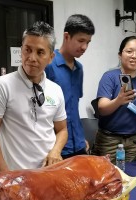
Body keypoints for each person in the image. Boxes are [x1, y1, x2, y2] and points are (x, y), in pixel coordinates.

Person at [0, 21, 68, 172]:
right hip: (16, 176)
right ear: (21, 50)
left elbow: (62, 130)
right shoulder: (2, 86)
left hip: (48, 173)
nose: (32, 58)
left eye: (40, 52)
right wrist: (6, 175)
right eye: (27, 50)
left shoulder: (56, 90)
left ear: (51, 57)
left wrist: (56, 151)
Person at [93, 36, 136, 164]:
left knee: (132, 176)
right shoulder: (109, 77)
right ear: (120, 55)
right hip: (109, 140)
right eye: (129, 51)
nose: (134, 56)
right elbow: (102, 108)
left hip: (135, 141)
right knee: (108, 178)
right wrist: (118, 101)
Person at [45, 14, 95, 158]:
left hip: (78, 145)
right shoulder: (49, 65)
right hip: (55, 148)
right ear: (66, 36)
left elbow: (73, 107)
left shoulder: (79, 69)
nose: (84, 47)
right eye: (81, 41)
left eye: (88, 42)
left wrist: (79, 138)